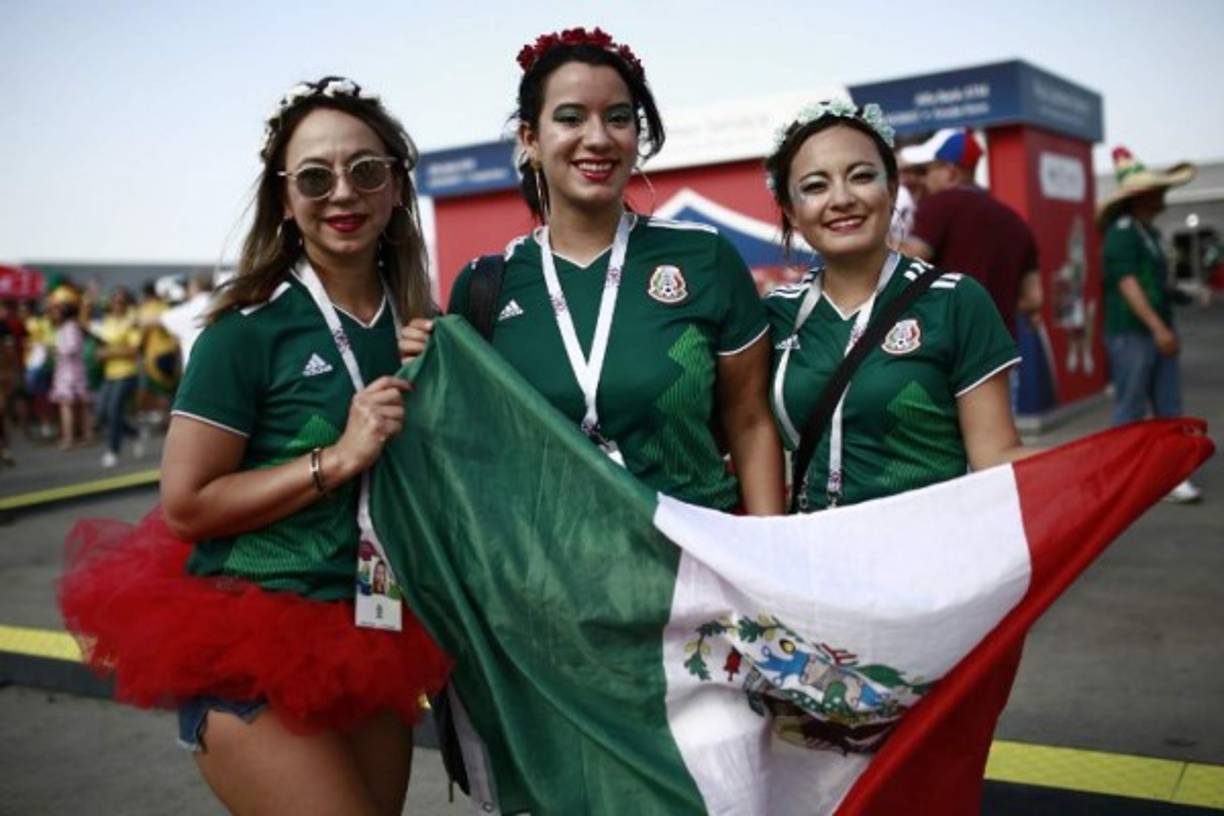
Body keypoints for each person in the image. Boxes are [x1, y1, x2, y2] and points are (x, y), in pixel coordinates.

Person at [59, 76, 450, 815]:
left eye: (366, 170)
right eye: (314, 176)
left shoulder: (422, 326)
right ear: (283, 197)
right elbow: (188, 504)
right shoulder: (245, 331)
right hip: (254, 636)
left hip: (374, 632)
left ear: (397, 186)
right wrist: (336, 457)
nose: (343, 192)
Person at [403, 27, 784, 515]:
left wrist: (768, 561)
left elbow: (750, 423)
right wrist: (425, 371)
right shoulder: (483, 288)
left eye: (619, 118)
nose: (598, 138)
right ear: (531, 140)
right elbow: (469, 447)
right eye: (570, 118)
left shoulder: (704, 258)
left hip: (696, 566)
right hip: (549, 577)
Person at [763, 100, 1030, 510]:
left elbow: (996, 457)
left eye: (862, 177)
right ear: (791, 211)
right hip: (811, 562)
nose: (841, 198)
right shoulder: (775, 314)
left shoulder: (955, 301)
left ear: (891, 190)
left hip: (927, 558)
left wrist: (1106, 465)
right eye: (815, 186)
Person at [1098, 146, 1201, 502]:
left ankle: (1171, 474)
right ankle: (1116, 477)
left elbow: (1155, 284)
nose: (1163, 196)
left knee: (1169, 407)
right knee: (1130, 407)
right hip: (1132, 333)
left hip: (1155, 330)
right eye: (1158, 191)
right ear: (1142, 196)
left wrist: (1181, 301)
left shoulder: (1150, 234)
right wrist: (1158, 328)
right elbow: (1128, 284)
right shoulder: (1122, 232)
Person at [900, 128, 1042, 339]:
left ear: (950, 173)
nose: (923, 180)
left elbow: (906, 261)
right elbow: (1034, 299)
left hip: (949, 344)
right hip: (1000, 350)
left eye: (927, 171)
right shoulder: (1016, 222)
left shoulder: (941, 204)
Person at [92, 286, 143, 467]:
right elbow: (101, 344)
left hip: (127, 373)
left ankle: (113, 451)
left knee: (114, 411)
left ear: (127, 304)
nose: (116, 305)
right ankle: (135, 433)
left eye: (120, 302)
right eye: (113, 301)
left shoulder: (132, 321)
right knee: (103, 414)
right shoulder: (107, 321)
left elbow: (134, 351)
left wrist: (108, 353)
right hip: (110, 373)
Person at [47, 286, 94, 449]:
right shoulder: (70, 327)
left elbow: (72, 348)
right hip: (71, 371)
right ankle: (84, 435)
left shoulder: (70, 327)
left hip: (69, 372)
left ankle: (70, 438)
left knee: (68, 406)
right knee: (80, 405)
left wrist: (57, 350)